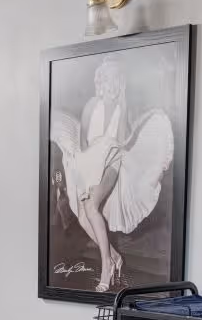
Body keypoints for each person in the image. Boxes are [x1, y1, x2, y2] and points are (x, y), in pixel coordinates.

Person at [51, 57, 175, 292]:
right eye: (108, 80)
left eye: (116, 81)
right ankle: (115, 257)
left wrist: (124, 103)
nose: (112, 85)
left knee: (91, 208)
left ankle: (106, 265)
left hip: (113, 161)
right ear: (100, 82)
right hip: (92, 161)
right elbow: (85, 142)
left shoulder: (122, 107)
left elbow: (120, 141)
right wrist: (85, 170)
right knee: (83, 217)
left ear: (120, 84)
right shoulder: (91, 105)